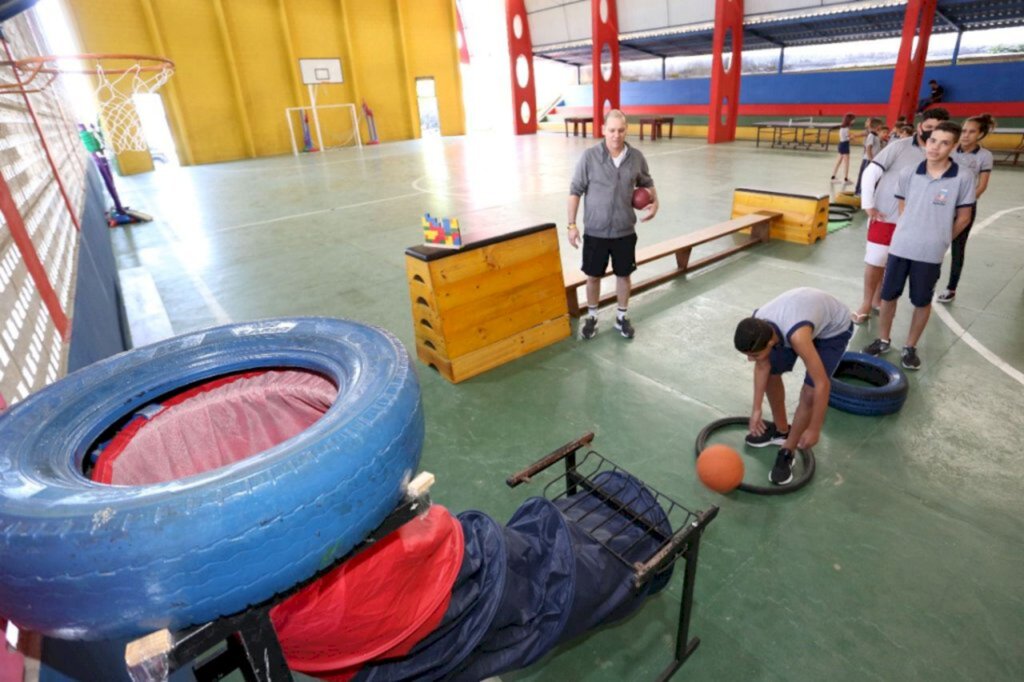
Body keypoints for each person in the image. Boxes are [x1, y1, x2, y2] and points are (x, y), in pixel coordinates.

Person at [862, 121, 975, 370]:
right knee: (888, 295)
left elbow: (964, 217)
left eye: (944, 142)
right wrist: (908, 230)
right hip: (900, 246)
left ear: (954, 146)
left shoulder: (963, 177)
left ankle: (910, 346)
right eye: (933, 140)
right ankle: (883, 339)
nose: (936, 147)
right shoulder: (909, 173)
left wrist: (942, 238)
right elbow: (904, 207)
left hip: (930, 252)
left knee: (921, 301)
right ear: (926, 140)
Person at [734, 287, 854, 485]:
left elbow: (822, 384)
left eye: (753, 355)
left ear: (772, 341)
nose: (749, 360)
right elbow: (762, 366)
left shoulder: (797, 336)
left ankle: (788, 450)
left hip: (833, 329)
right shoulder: (757, 324)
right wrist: (756, 409)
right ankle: (782, 431)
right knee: (771, 372)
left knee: (809, 392)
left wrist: (814, 429)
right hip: (801, 316)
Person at [852, 108, 950, 324]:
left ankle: (878, 298)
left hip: (916, 222)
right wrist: (868, 205)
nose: (933, 133)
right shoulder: (899, 147)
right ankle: (866, 303)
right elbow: (871, 172)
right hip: (886, 217)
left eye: (939, 129)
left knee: (893, 263)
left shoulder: (945, 154)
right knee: (876, 260)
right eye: (929, 127)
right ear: (920, 126)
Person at [568, 109, 658, 340]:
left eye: (620, 130)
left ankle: (621, 317)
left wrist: (655, 202)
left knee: (623, 275)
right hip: (595, 231)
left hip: (624, 231)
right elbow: (575, 191)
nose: (616, 135)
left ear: (626, 130)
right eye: (611, 130)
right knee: (593, 276)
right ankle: (592, 316)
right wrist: (571, 225)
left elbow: (647, 183)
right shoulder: (589, 157)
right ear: (603, 130)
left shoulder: (636, 157)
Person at [937, 113, 996, 303]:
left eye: (971, 132)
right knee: (934, 243)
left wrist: (964, 203)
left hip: (964, 209)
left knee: (958, 248)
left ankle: (951, 288)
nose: (966, 135)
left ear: (980, 134)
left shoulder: (984, 156)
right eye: (963, 131)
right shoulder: (951, 150)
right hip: (941, 205)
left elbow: (982, 185)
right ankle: (928, 279)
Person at [854, 117, 882, 195]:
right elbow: (868, 147)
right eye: (880, 126)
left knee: (870, 176)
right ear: (877, 127)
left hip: (872, 160)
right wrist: (871, 159)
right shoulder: (871, 136)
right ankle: (859, 192)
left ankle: (867, 191)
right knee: (864, 175)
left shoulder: (876, 136)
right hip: (868, 160)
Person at [830, 113, 856, 183]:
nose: (854, 121)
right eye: (853, 120)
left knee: (838, 162)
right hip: (845, 145)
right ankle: (846, 179)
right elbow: (846, 138)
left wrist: (850, 136)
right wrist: (852, 138)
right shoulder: (846, 128)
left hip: (841, 145)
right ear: (849, 120)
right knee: (846, 163)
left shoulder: (842, 128)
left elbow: (844, 136)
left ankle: (833, 176)